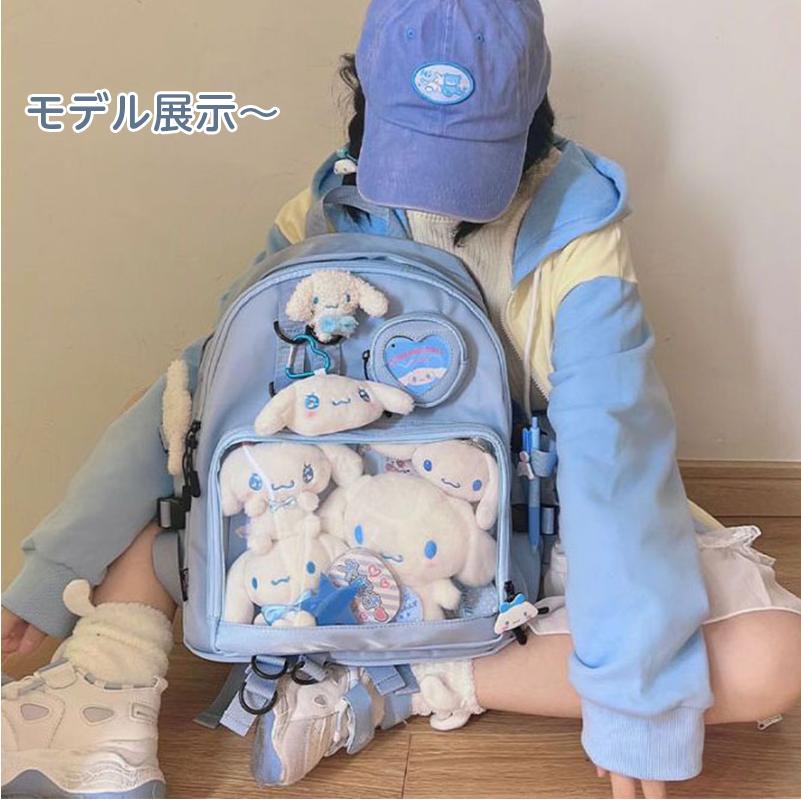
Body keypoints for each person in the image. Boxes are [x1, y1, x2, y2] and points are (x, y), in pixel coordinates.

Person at [3, 1, 801, 798]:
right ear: (362, 100)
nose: (440, 197)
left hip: (509, 536)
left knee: (769, 660)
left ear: (530, 111)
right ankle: (100, 692)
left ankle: (400, 679)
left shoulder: (576, 236)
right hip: (324, 521)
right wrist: (54, 570)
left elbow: (612, 461)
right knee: (171, 442)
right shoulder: (320, 212)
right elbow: (199, 393)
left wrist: (632, 699)